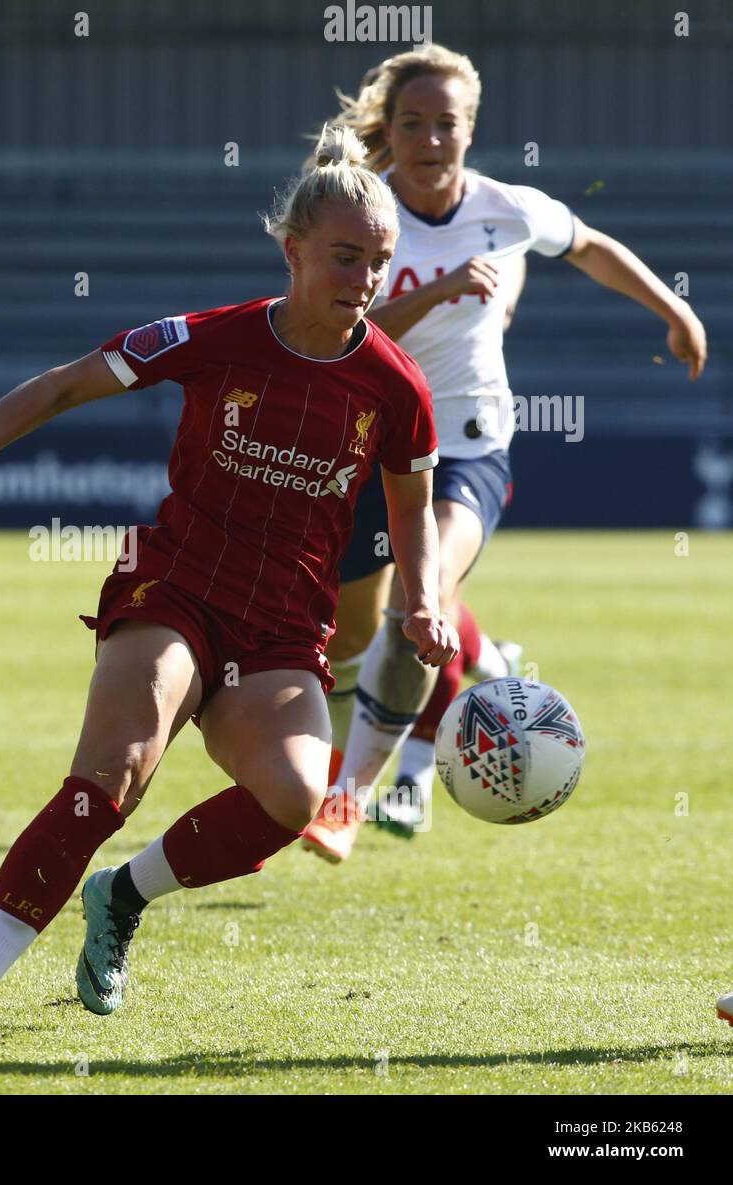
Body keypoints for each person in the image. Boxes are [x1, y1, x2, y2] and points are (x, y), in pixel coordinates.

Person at [0, 125, 458, 1035]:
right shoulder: (214, 338)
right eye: (345, 258)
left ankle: (121, 897)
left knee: (294, 797)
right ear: (294, 251)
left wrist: (425, 602)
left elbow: (410, 513)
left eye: (379, 264)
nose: (363, 281)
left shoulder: (396, 388)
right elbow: (65, 385)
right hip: (177, 590)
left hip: (283, 627)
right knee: (114, 773)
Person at [300, 45, 708, 863]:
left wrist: (674, 309)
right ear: (390, 128)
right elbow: (340, 330)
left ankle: (351, 799)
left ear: (470, 129)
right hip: (366, 451)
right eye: (411, 123)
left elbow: (587, 242)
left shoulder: (503, 206)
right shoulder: (366, 214)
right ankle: (483, 661)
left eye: (445, 123)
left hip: (465, 450)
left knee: (423, 603)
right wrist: (442, 289)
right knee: (343, 643)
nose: (429, 138)